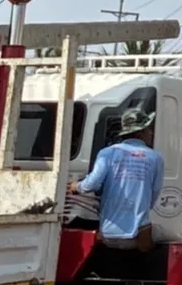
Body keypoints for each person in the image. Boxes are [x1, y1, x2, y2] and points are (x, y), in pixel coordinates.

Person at [70, 107, 164, 250]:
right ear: (140, 132)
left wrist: (76, 186)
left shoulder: (107, 153)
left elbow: (91, 184)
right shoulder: (155, 157)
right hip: (138, 235)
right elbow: (154, 193)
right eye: (149, 129)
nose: (151, 133)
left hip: (109, 233)